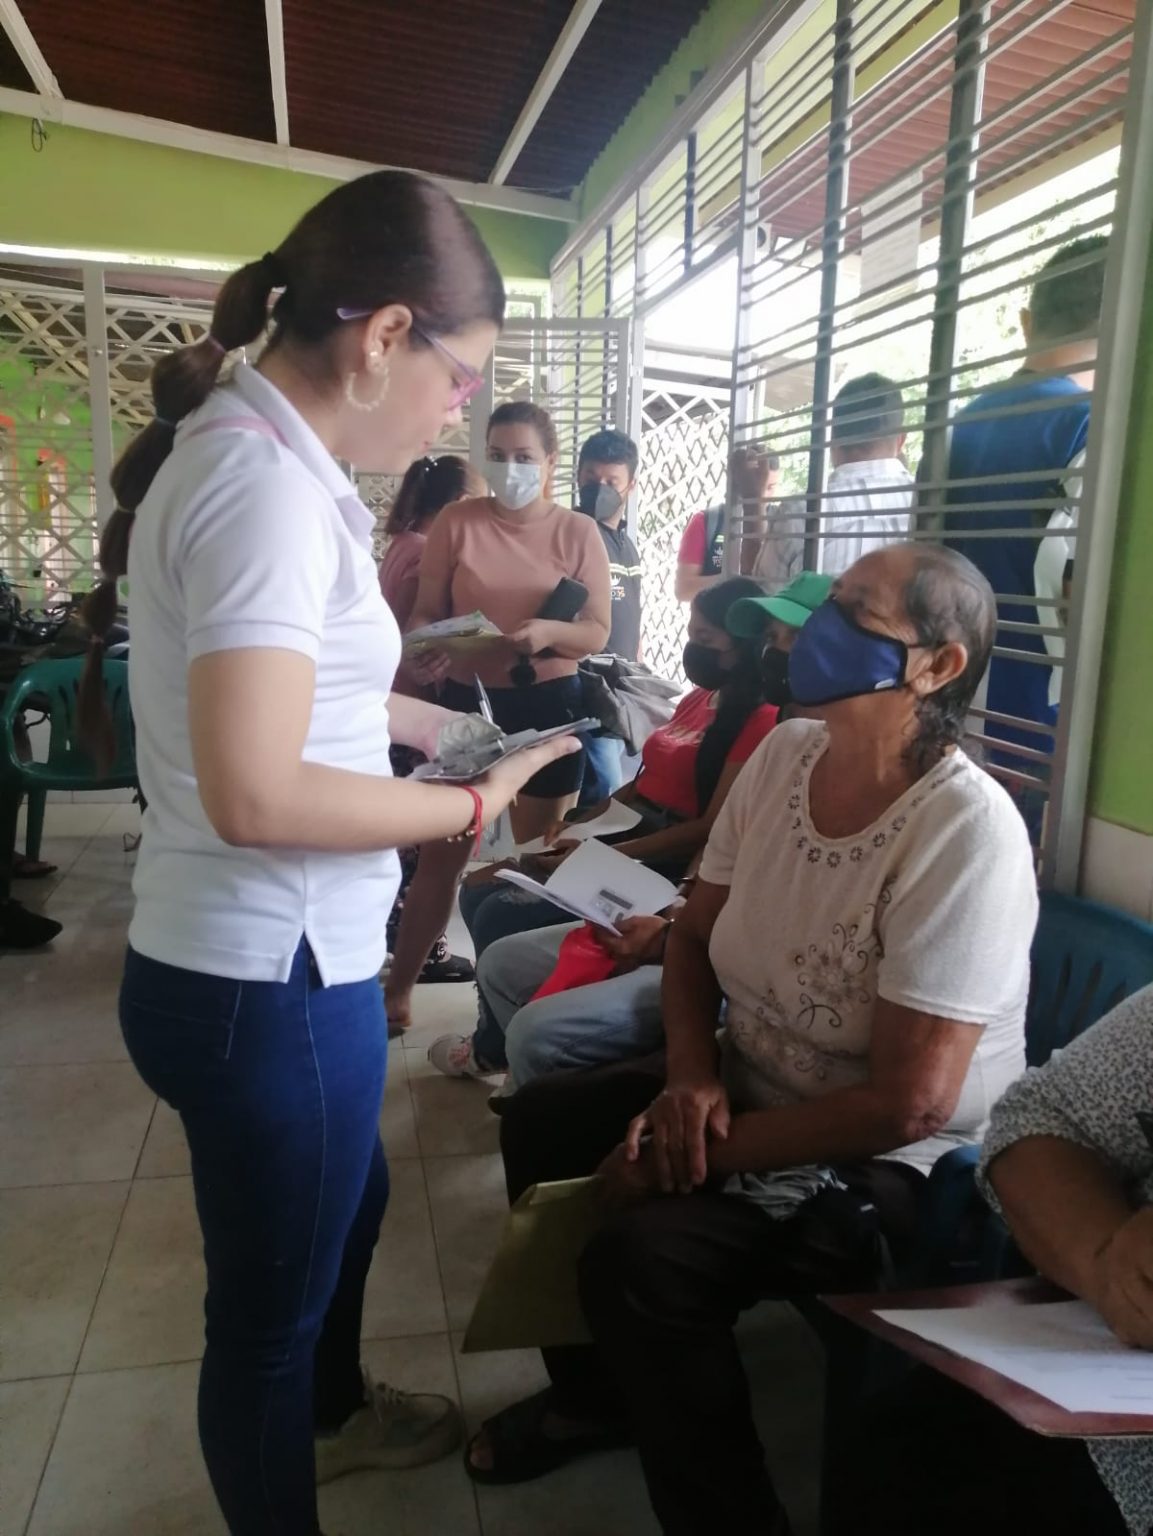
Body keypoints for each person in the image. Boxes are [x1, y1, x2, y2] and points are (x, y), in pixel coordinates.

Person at [79, 170, 582, 1536]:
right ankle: (296, 1443)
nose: (456, 415)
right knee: (261, 1322)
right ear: (384, 335)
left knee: (347, 1206)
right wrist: (468, 810)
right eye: (457, 377)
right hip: (265, 979)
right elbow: (256, 791)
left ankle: (333, 1413)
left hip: (255, 963)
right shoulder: (261, 490)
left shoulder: (261, 461)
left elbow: (305, 698)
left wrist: (445, 729)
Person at [464, 544, 1039, 1536]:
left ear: (936, 666)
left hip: (895, 1165)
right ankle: (600, 1398)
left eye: (855, 613)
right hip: (753, 1079)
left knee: (642, 1262)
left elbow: (911, 1103)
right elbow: (692, 936)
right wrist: (689, 1084)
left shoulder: (963, 833)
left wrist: (694, 1151)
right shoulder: (786, 756)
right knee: (545, 1124)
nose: (811, 632)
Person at [469, 573, 833, 1092]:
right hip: (675, 888)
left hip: (707, 919)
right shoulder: (766, 729)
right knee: (487, 896)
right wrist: (585, 827)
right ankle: (503, 1052)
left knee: (506, 919)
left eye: (706, 637)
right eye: (775, 638)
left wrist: (665, 918)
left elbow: (710, 836)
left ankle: (519, 1064)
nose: (778, 652)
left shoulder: (772, 728)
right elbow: (710, 845)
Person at [841, 983, 1153, 1536]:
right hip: (1104, 1415)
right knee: (909, 1446)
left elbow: (912, 1105)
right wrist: (1107, 1265)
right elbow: (1041, 1120)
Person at [944, 235, 1107, 825]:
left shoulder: (959, 425)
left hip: (953, 698)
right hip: (1038, 721)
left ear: (1027, 322)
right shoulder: (1089, 426)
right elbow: (1073, 585)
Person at [409, 400, 612, 843]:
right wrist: (426, 646)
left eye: (524, 458)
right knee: (447, 844)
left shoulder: (578, 531)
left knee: (538, 847)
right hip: (467, 702)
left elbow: (596, 632)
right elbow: (425, 611)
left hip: (548, 704)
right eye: (497, 456)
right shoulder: (456, 521)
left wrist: (547, 633)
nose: (510, 469)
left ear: (550, 462)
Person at [378, 454, 487, 1030]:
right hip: (416, 712)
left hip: (395, 707)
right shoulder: (425, 554)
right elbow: (421, 636)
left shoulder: (403, 543)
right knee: (425, 848)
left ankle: (407, 947)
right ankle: (423, 954)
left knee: (409, 845)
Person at [575, 428, 644, 805]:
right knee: (606, 789)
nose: (598, 489)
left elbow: (630, 604)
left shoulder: (626, 543)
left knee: (603, 785)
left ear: (630, 486)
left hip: (619, 686)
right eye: (591, 478)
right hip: (586, 685)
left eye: (611, 481)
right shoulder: (571, 533)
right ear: (578, 475)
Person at [813, 373, 913, 577]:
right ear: (901, 440)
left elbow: (760, 588)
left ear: (831, 438)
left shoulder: (805, 511)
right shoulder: (929, 503)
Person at [675, 446, 783, 603]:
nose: (762, 494)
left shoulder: (781, 524)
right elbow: (683, 590)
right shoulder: (706, 522)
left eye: (770, 487)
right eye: (757, 485)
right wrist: (731, 579)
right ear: (740, 480)